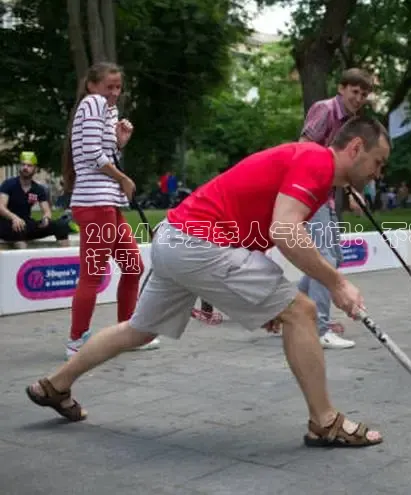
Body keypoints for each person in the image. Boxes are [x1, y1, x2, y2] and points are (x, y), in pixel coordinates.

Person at [24, 115, 390, 448]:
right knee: (302, 311)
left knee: (140, 330)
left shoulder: (310, 164)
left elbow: (261, 226)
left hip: (176, 238)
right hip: (199, 244)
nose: (378, 173)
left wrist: (253, 300)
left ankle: (55, 385)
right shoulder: (317, 162)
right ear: (355, 148)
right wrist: (338, 283)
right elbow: (285, 230)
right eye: (377, 162)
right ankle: (325, 421)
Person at [61, 61, 159, 359]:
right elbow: (92, 155)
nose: (115, 93)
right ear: (92, 85)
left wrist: (119, 142)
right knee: (92, 274)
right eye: (109, 87)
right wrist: (123, 179)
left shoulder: (108, 110)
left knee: (133, 266)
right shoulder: (92, 103)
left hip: (108, 204)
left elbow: (104, 153)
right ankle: (77, 339)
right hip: (95, 204)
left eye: (118, 87)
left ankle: (127, 333)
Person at [295, 68, 373, 350]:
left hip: (325, 195)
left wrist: (351, 191)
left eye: (364, 95)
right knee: (325, 258)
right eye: (355, 92)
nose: (359, 98)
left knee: (333, 258)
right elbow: (304, 149)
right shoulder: (324, 109)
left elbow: (340, 162)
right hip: (308, 193)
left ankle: (285, 310)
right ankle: (319, 329)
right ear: (341, 88)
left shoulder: (350, 121)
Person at [0, 151, 72, 248]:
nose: (25, 168)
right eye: (23, 165)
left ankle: (66, 259)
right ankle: (23, 259)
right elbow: (1, 207)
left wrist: (46, 218)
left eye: (29, 166)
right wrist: (14, 218)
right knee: (19, 230)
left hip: (26, 223)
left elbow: (47, 211)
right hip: (7, 224)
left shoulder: (38, 189)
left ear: (35, 169)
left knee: (61, 226)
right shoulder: (8, 184)